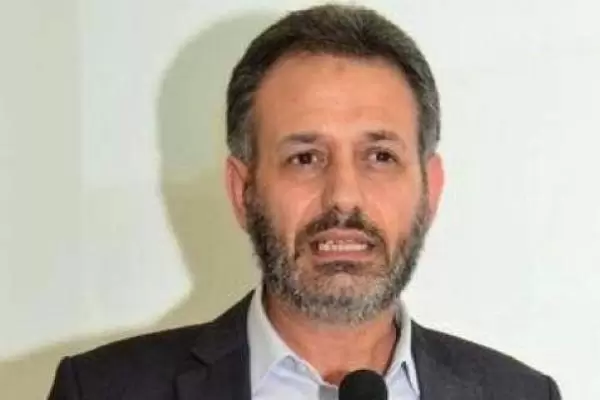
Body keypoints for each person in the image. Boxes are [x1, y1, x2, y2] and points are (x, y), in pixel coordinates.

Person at [48, 4, 561, 399]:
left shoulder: (521, 395)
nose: (343, 196)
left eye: (380, 157)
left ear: (430, 190)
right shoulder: (101, 391)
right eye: (305, 158)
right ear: (242, 191)